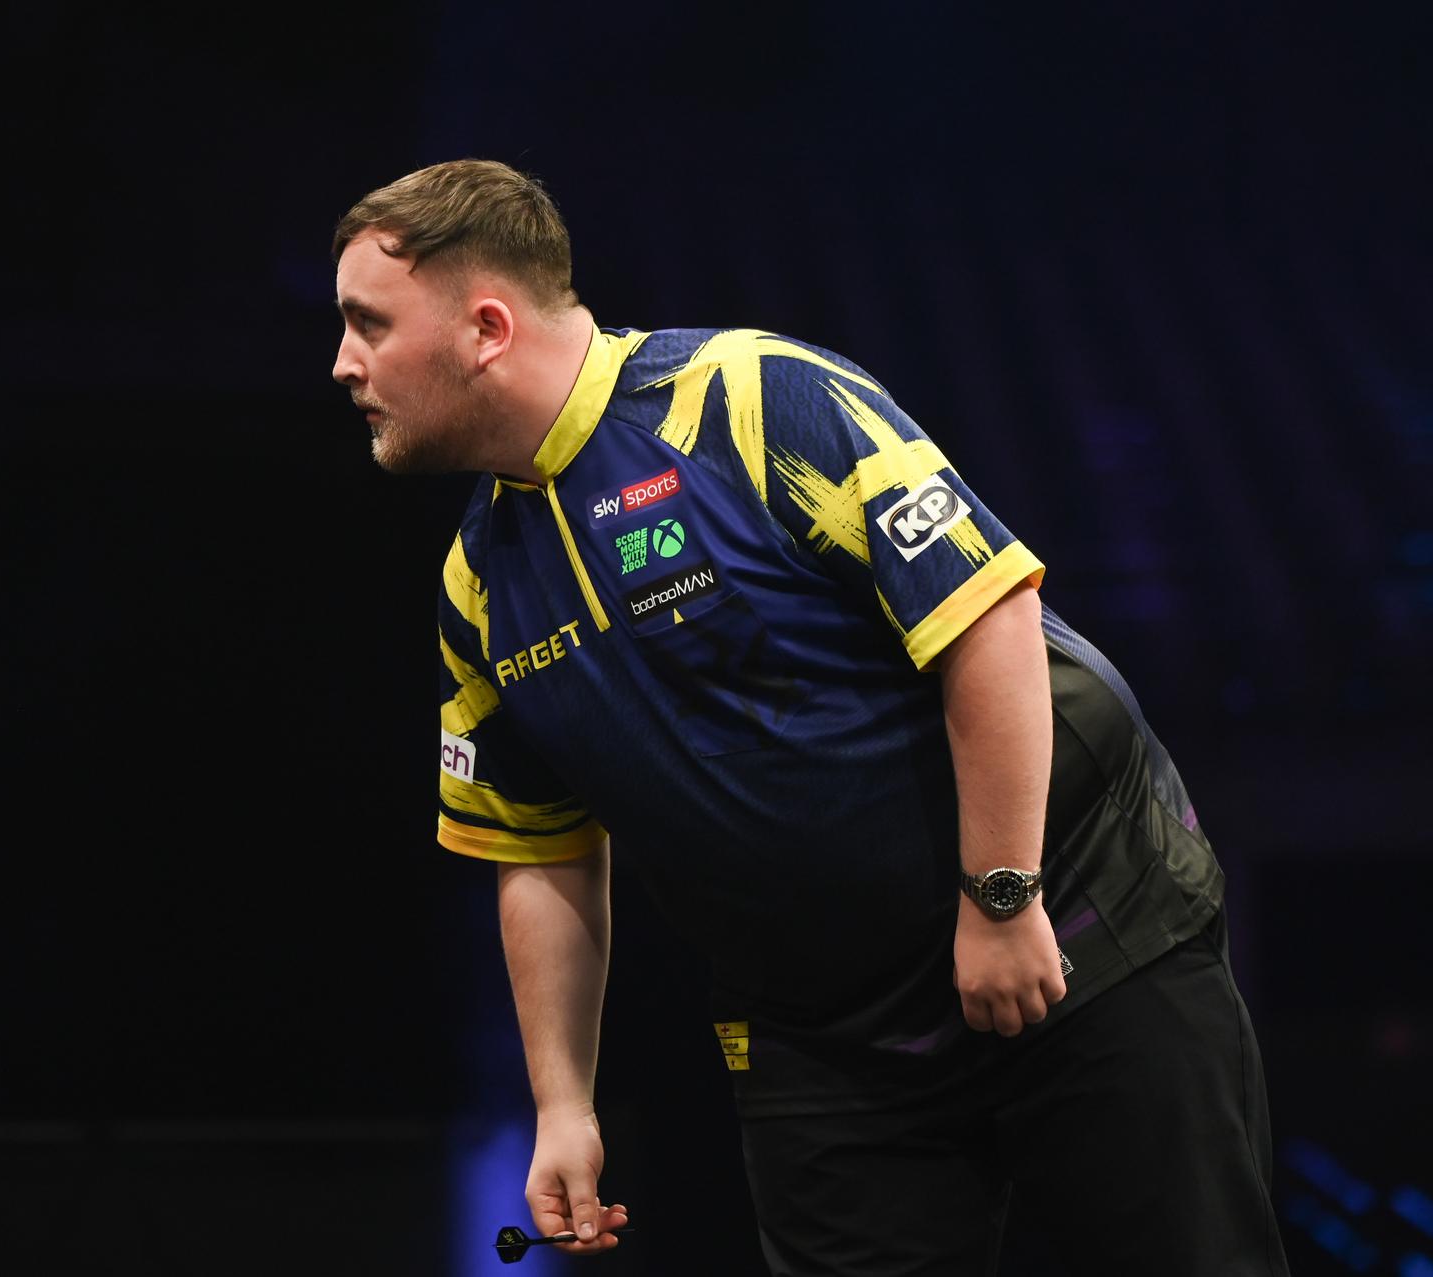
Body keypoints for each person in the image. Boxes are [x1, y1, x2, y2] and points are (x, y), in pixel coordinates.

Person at [331, 157, 1291, 1276]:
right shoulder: (477, 584)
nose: (344, 363)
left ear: (485, 326)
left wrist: (1001, 893)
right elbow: (540, 850)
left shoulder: (749, 400)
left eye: (368, 323)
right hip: (823, 1039)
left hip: (1078, 925)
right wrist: (562, 1102)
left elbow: (988, 620)